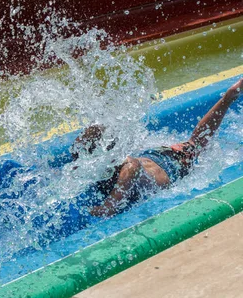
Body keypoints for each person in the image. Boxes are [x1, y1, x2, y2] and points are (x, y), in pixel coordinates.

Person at [71, 77, 243, 217]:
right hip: (152, 156)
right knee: (193, 143)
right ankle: (228, 98)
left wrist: (94, 210)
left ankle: (228, 98)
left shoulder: (129, 168)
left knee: (195, 144)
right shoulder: (101, 163)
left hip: (170, 166)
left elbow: (109, 208)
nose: (77, 156)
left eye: (80, 151)